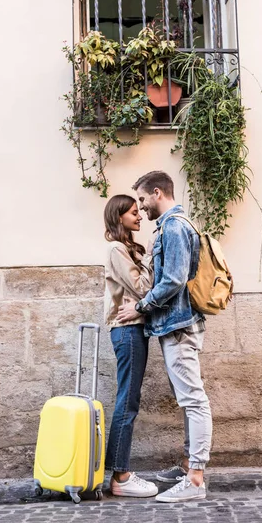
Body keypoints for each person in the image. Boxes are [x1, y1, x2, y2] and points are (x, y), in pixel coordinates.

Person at [116, 171, 212, 503]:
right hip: (174, 326)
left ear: (157, 193)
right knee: (188, 402)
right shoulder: (171, 227)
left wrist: (140, 307)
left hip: (178, 327)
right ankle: (188, 467)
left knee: (194, 401)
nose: (141, 208)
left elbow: (172, 280)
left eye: (142, 200)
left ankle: (196, 481)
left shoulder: (173, 227)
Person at [103, 194, 158, 498]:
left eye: (139, 212)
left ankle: (119, 472)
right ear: (119, 216)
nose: (139, 217)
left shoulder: (124, 248)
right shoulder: (116, 249)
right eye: (133, 213)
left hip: (132, 330)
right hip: (127, 330)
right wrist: (149, 256)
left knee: (129, 399)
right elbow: (142, 287)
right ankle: (121, 476)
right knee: (127, 401)